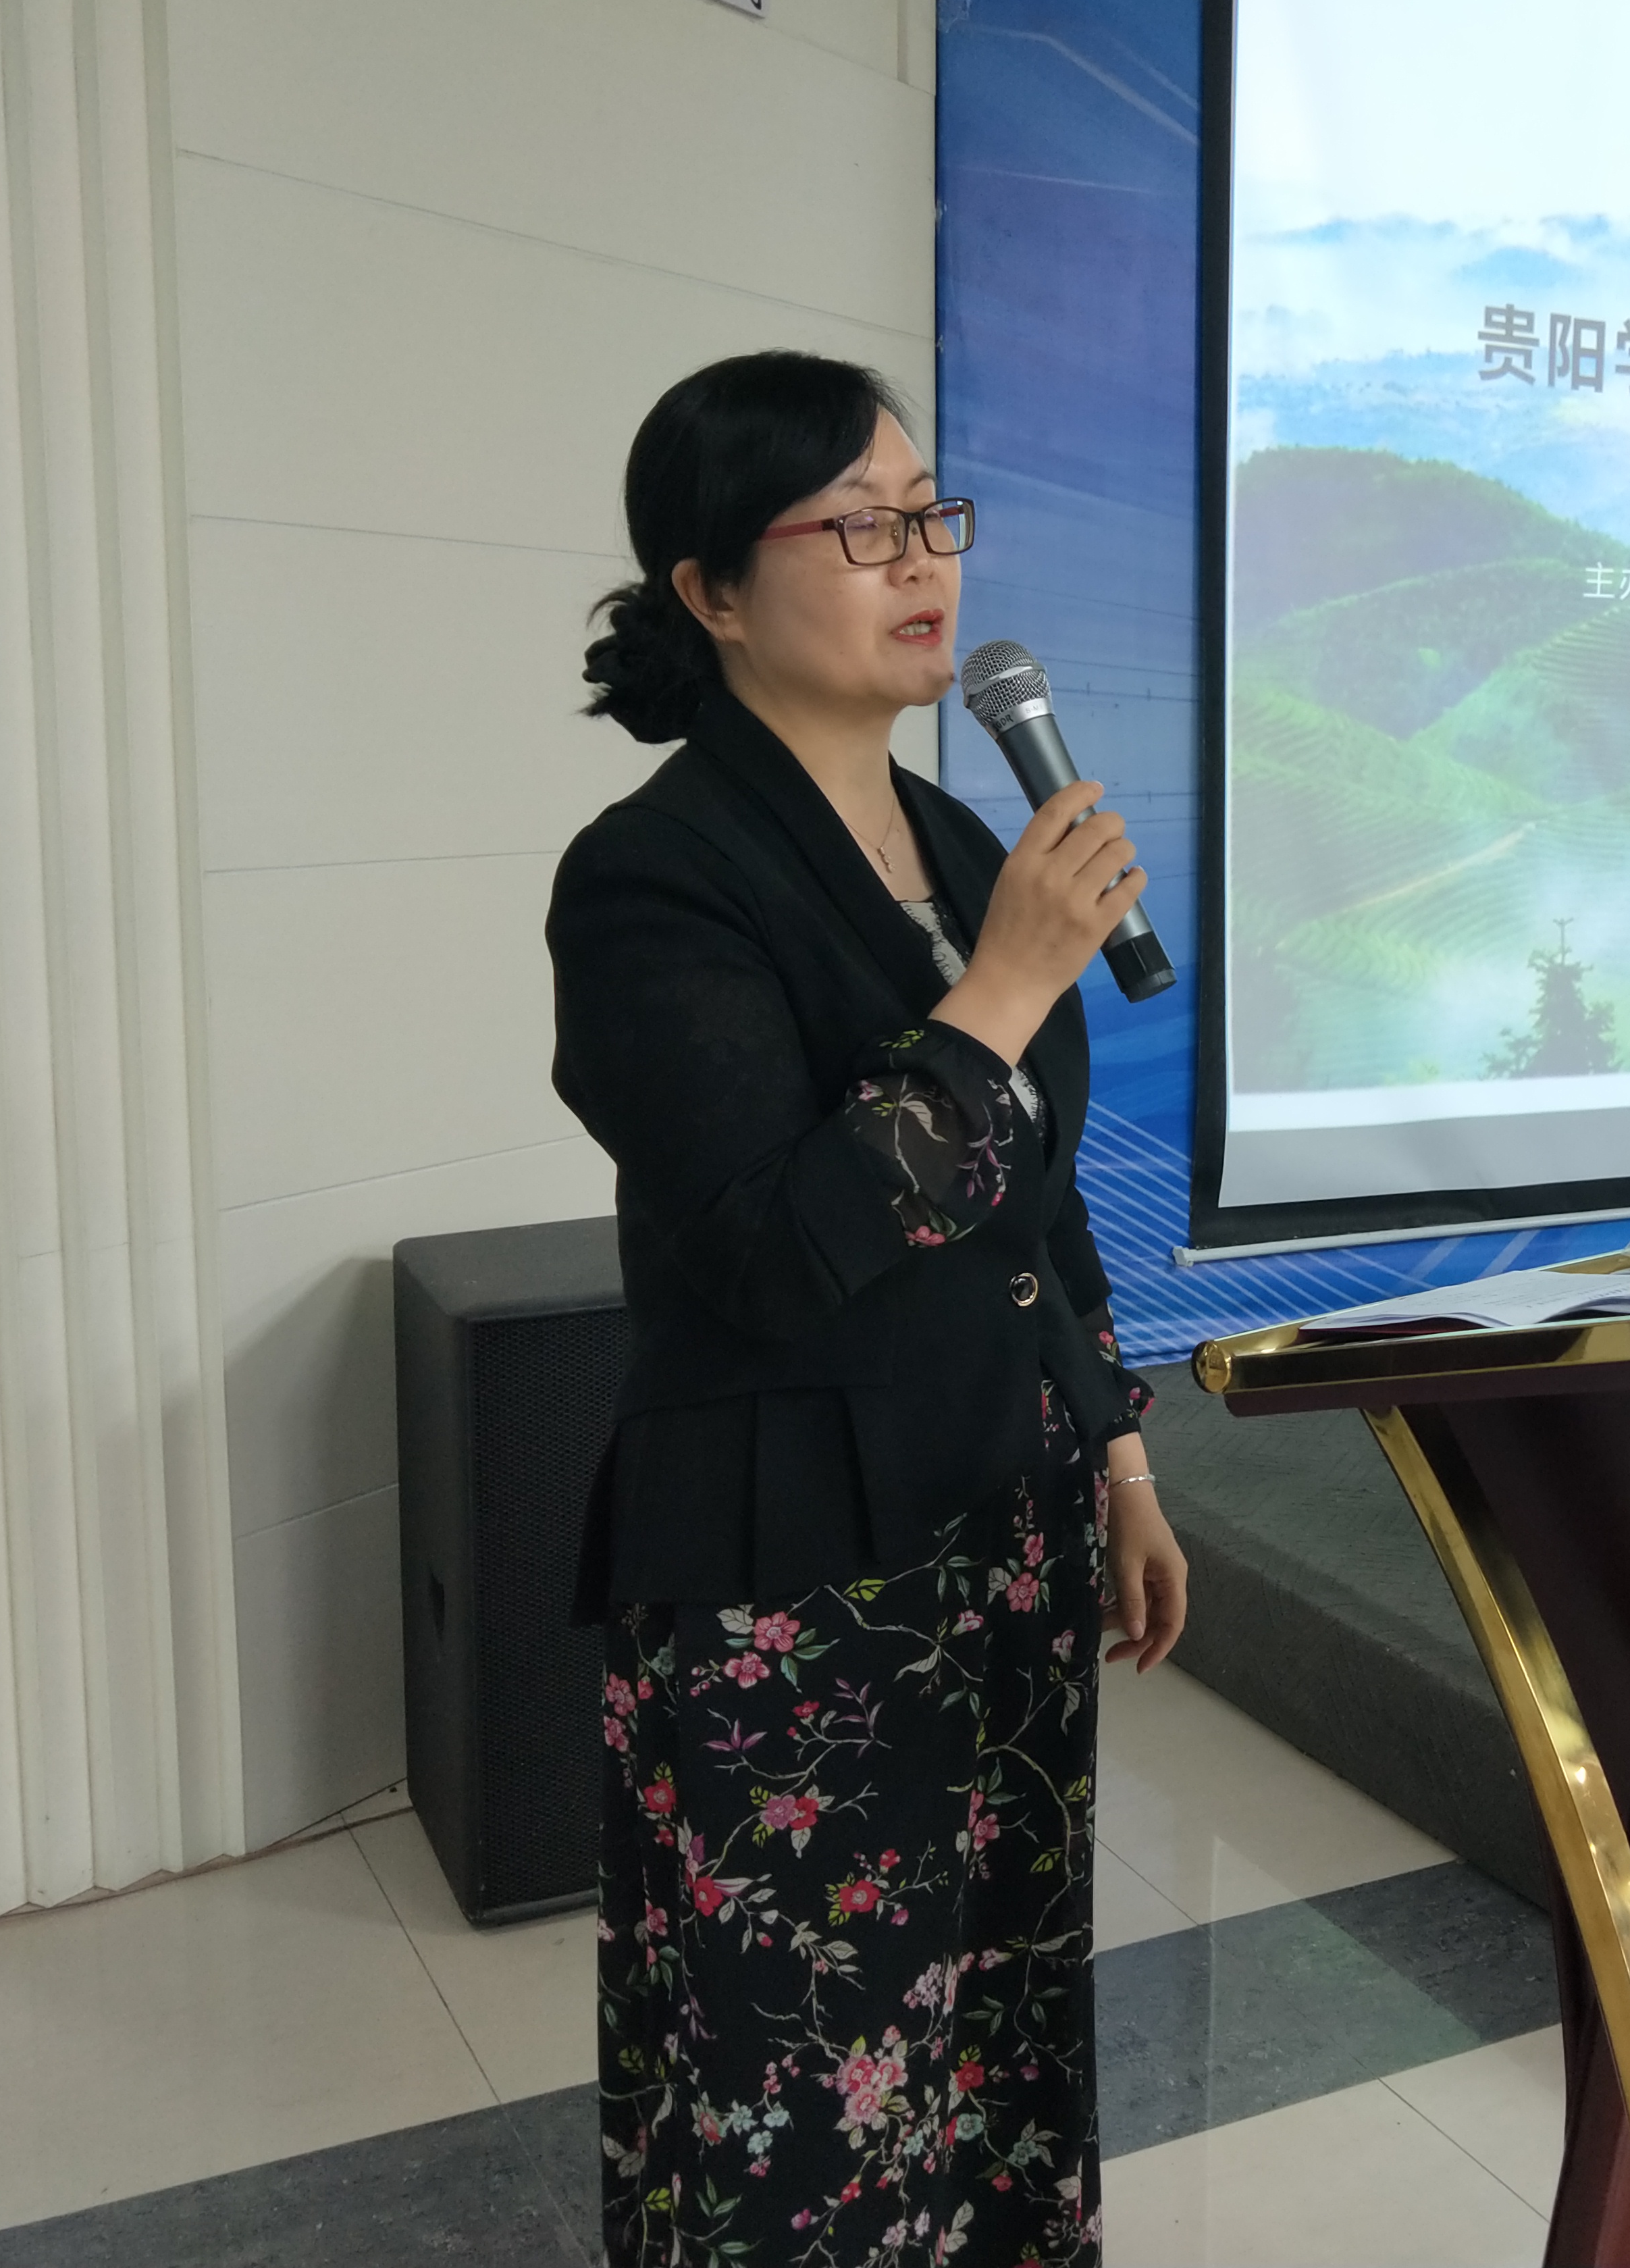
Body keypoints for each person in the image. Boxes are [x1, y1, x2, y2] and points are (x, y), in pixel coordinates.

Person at [549, 348, 1186, 2267]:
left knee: (993, 2032)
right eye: (856, 526)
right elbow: (768, 1251)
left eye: (929, 513)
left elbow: (1033, 1199)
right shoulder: (651, 877)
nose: (922, 561)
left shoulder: (967, 843)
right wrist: (999, 993)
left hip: (1005, 1529)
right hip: (796, 1582)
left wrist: (1122, 1450)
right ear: (711, 592)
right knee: (803, 2084)